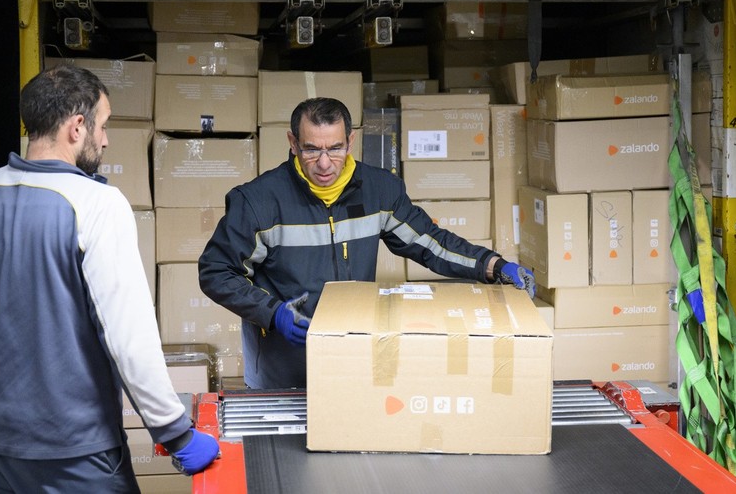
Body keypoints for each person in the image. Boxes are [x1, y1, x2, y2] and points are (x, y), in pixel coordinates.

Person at [0, 65, 218, 492]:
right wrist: (175, 434)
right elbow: (128, 337)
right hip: (73, 449)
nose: (105, 139)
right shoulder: (97, 205)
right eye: (103, 126)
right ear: (77, 126)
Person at [198, 96, 535, 390]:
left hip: (353, 359)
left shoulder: (378, 191)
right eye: (312, 149)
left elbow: (431, 244)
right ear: (292, 142)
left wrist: (494, 266)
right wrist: (273, 314)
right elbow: (216, 271)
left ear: (351, 140)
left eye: (335, 148)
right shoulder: (258, 202)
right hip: (282, 370)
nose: (325, 163)